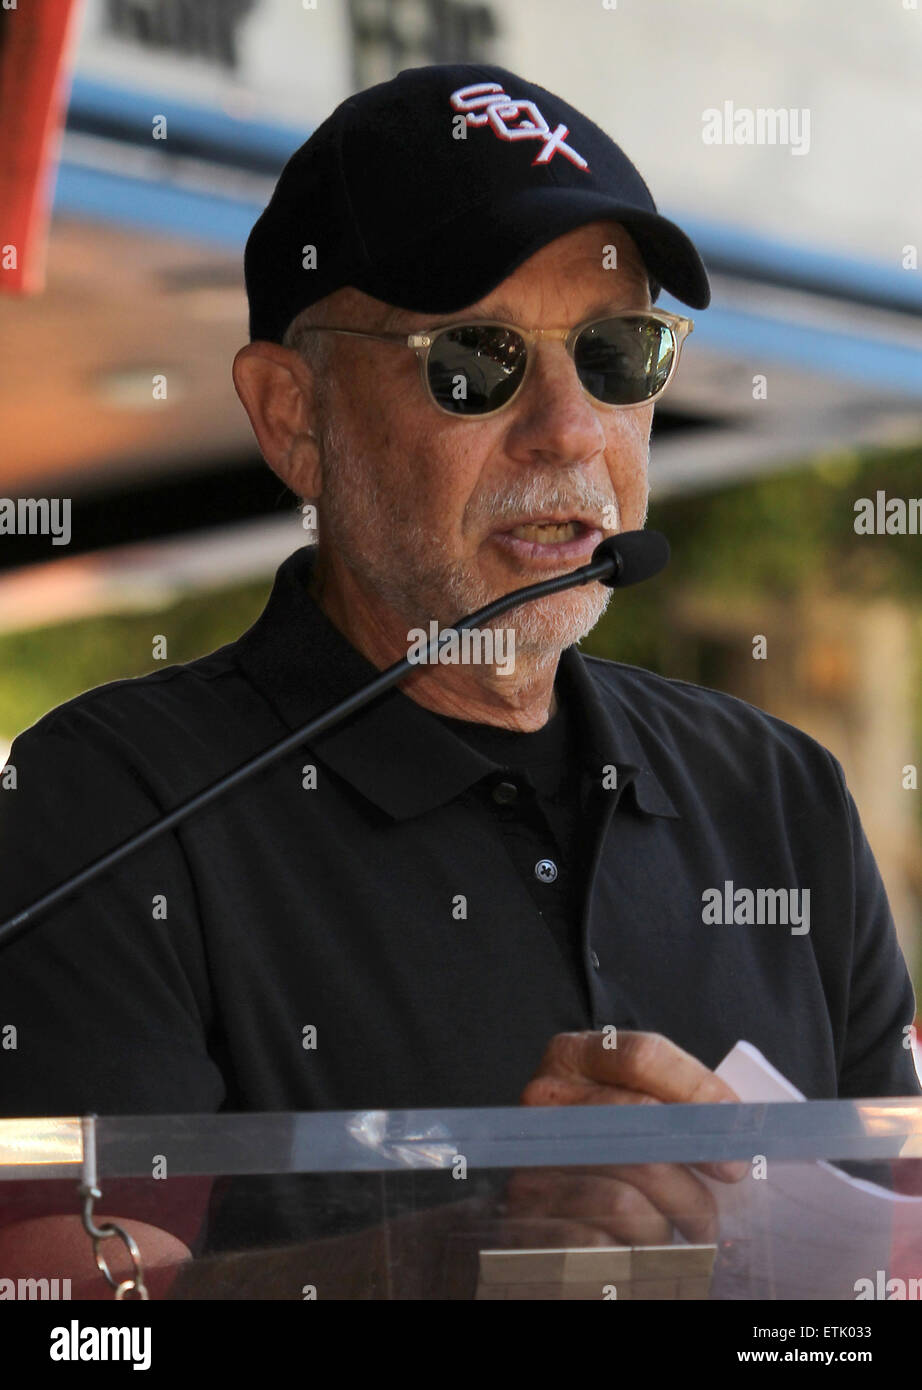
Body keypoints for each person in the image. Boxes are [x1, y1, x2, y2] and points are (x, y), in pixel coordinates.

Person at [0, 64, 917, 1299]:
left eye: (616, 352)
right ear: (292, 416)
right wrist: (461, 1258)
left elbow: (893, 1257)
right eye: (476, 360)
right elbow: (66, 1309)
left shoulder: (778, 793)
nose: (570, 429)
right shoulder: (112, 805)